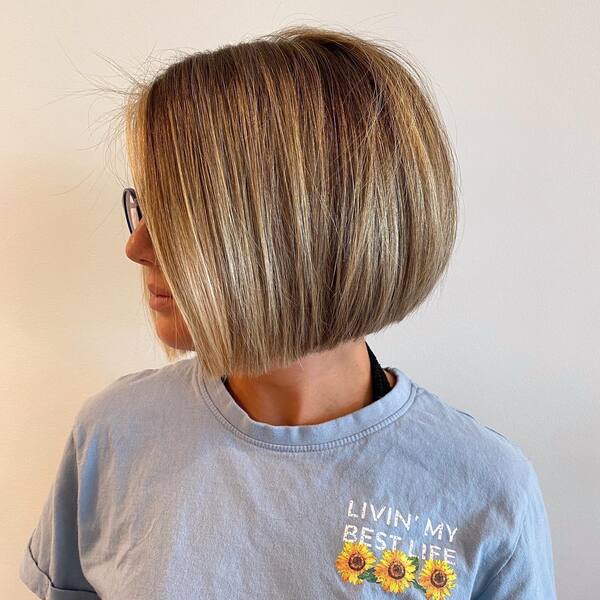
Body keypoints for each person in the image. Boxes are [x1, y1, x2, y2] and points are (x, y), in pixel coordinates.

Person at [19, 25, 556, 599]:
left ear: (299, 234)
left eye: (179, 212)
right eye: (146, 205)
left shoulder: (481, 489)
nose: (137, 245)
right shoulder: (113, 436)